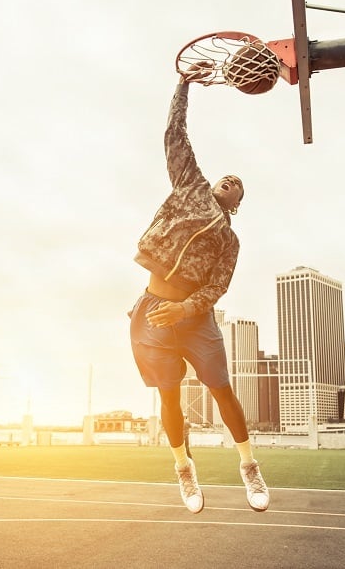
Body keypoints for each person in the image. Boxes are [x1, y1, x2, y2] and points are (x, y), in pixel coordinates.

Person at [129, 64, 269, 514]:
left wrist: (186, 309)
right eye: (227, 177)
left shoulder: (230, 239)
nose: (231, 181)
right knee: (169, 396)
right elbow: (175, 133)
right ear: (211, 183)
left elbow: (217, 287)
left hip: (193, 318)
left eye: (238, 187)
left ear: (238, 205)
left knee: (221, 389)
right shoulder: (189, 186)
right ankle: (183, 469)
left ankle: (248, 465)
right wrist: (184, 84)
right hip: (153, 310)